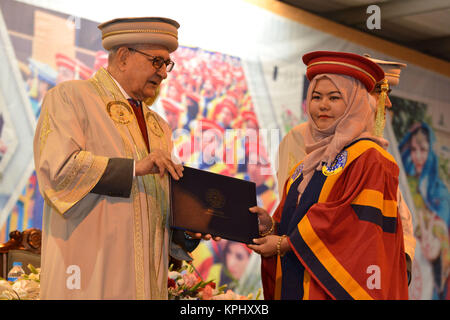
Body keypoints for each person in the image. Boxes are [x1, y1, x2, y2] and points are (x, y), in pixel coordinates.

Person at [33, 17, 209, 299]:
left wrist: (187, 229)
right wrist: (134, 168)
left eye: (167, 64)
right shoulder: (71, 97)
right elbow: (58, 170)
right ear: (124, 56)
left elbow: (155, 206)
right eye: (157, 62)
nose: (164, 73)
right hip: (88, 274)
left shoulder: (158, 125)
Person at [248, 51, 409, 299]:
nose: (322, 105)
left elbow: (352, 227)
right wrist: (270, 228)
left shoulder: (371, 158)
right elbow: (294, 222)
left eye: (334, 97)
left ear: (355, 103)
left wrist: (285, 245)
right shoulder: (305, 166)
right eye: (316, 96)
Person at [399, 122, 450, 299]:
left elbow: (442, 231)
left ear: (431, 152)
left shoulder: (440, 191)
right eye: (414, 149)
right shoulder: (406, 184)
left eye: (423, 149)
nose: (418, 156)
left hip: (430, 272)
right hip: (407, 260)